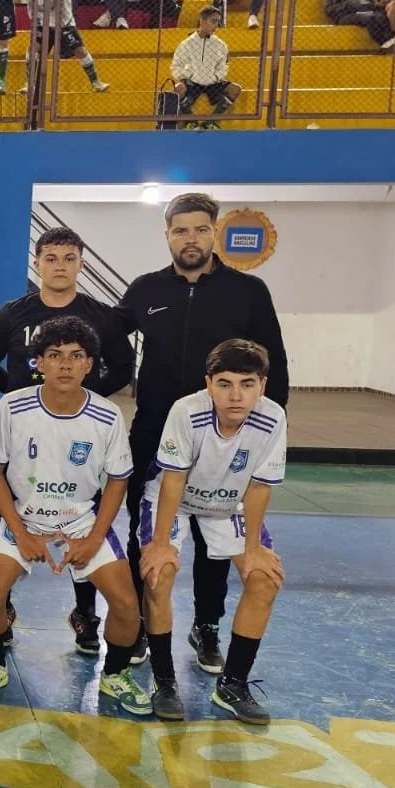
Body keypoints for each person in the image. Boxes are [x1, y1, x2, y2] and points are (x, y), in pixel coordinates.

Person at [116, 192, 288, 678]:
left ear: (215, 232)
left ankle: (207, 625)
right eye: (180, 231)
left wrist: (264, 430)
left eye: (199, 229)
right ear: (167, 235)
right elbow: (108, 337)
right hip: (155, 429)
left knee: (215, 532)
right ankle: (143, 624)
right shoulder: (146, 290)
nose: (189, 239)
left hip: (228, 434)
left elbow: (274, 360)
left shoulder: (248, 291)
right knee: (147, 534)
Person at [0, 316, 149, 714]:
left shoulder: (107, 415)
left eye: (76, 356)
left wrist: (93, 538)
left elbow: (118, 481)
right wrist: (21, 533)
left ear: (90, 364)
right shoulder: (11, 407)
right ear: (39, 362)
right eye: (55, 355)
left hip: (81, 519)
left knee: (126, 604)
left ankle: (115, 673)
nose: (66, 364)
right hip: (24, 517)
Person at [0, 227, 135, 655]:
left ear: (81, 265)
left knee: (78, 515)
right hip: (24, 435)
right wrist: (15, 393)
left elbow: (123, 365)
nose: (59, 266)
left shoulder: (100, 315)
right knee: (16, 516)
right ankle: (3, 607)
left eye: (69, 258)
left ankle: (85, 614)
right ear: (37, 263)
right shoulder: (12, 313)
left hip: (78, 432)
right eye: (51, 258)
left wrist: (83, 403)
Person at [139, 338, 285, 724]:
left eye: (247, 384)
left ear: (262, 385)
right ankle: (164, 682)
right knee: (158, 574)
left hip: (229, 502)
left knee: (264, 580)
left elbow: (259, 486)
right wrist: (160, 544)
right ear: (208, 384)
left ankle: (233, 684)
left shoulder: (273, 417)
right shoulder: (186, 411)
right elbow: (173, 479)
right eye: (225, 384)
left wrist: (252, 548)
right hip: (174, 497)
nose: (236, 395)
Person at [22, 0, 112, 92]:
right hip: (42, 24)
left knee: (80, 51)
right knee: (33, 50)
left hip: (64, 23)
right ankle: (29, 84)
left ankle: (96, 82)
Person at [167, 5, 239, 125]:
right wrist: (189, 75)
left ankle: (210, 123)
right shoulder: (186, 44)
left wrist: (216, 77)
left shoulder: (221, 45)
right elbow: (175, 66)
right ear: (202, 21)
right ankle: (191, 122)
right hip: (192, 82)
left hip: (212, 82)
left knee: (235, 89)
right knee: (178, 88)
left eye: (218, 22)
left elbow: (224, 66)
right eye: (213, 21)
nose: (216, 25)